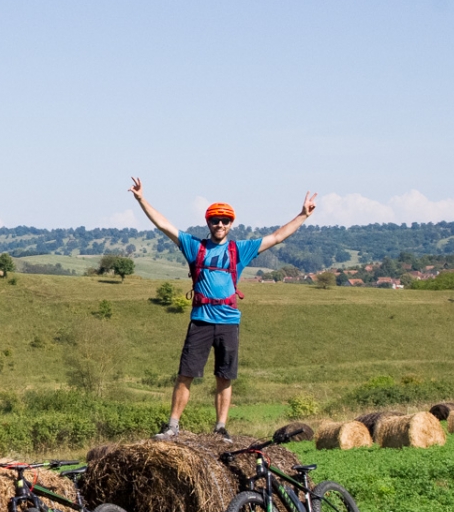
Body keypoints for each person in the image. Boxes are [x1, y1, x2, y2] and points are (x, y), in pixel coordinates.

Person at [128, 177, 317, 442]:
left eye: (225, 221)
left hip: (229, 322)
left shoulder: (240, 249)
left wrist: (302, 215)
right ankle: (172, 426)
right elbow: (163, 225)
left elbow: (276, 237)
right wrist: (141, 199)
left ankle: (220, 428)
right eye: (215, 220)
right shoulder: (195, 246)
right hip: (201, 321)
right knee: (185, 375)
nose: (220, 224)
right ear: (208, 223)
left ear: (231, 224)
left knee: (224, 377)